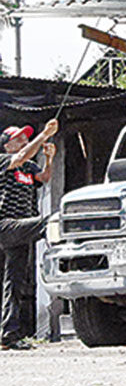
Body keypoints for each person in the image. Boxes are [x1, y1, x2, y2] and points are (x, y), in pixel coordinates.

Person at [0, 119, 58, 351]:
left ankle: (8, 335)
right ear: (7, 145)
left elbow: (44, 178)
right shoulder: (5, 161)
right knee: (51, 221)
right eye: (19, 138)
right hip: (5, 224)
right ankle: (64, 255)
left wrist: (50, 158)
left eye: (26, 137)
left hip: (21, 229)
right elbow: (21, 156)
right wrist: (43, 135)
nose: (24, 139)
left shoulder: (28, 167)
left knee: (14, 283)